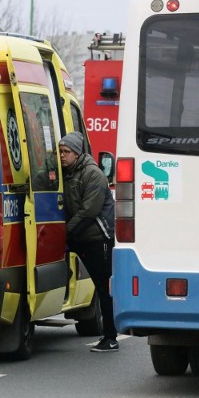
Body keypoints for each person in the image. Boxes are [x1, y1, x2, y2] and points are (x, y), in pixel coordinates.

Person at [59, 131, 117, 352]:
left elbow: (88, 211)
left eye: (67, 152)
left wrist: (64, 234)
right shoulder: (66, 173)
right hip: (80, 235)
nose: (63, 156)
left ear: (77, 153)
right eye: (61, 152)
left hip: (97, 238)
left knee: (103, 287)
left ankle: (111, 337)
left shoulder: (93, 174)